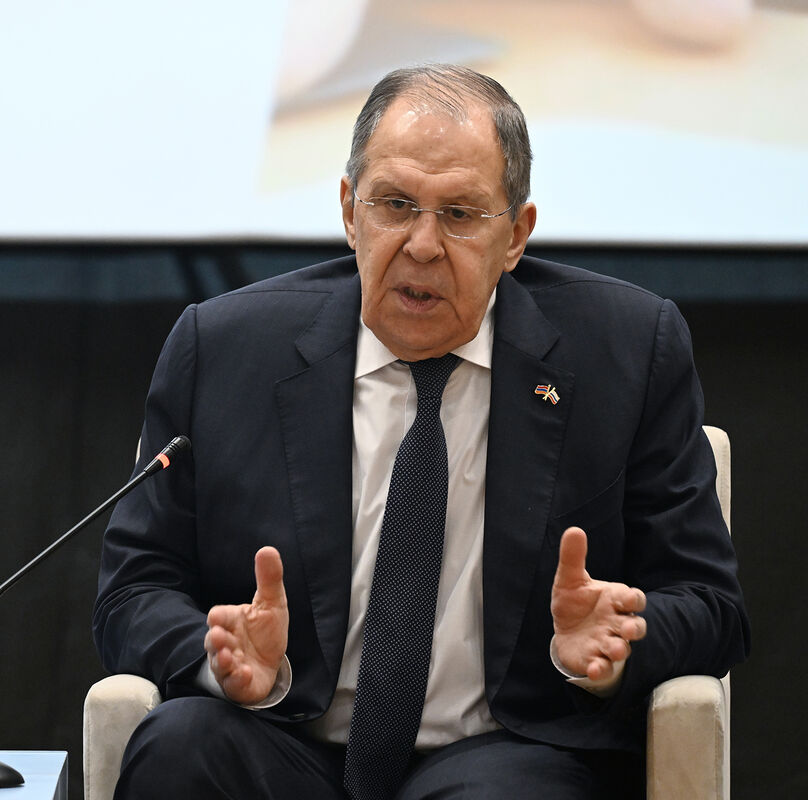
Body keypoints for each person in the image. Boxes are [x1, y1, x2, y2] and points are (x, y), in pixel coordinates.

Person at [92, 64, 749, 799]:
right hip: (285, 737)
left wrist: (619, 643)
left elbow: (710, 601)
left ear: (516, 235)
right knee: (180, 747)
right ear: (350, 211)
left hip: (506, 754)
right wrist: (220, 661)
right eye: (395, 205)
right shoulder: (222, 349)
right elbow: (135, 588)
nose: (423, 244)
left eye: (460, 213)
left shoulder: (625, 350)